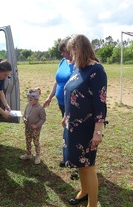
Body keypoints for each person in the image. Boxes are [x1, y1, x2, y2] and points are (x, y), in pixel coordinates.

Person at [61, 34, 107, 206]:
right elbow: (71, 93)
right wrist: (66, 115)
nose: (69, 54)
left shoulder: (96, 70)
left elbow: (100, 103)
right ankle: (84, 191)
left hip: (87, 128)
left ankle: (92, 204)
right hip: (72, 127)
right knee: (79, 163)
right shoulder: (77, 68)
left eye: (71, 50)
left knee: (88, 166)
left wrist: (98, 131)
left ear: (78, 48)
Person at [43, 36, 74, 167]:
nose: (62, 54)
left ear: (72, 49)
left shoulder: (78, 64)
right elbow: (57, 80)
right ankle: (67, 157)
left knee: (72, 131)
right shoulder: (62, 62)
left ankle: (75, 161)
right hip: (61, 102)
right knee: (66, 130)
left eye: (64, 51)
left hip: (72, 104)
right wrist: (50, 97)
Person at [20, 88, 46, 165]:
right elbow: (24, 114)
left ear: (36, 99)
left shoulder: (40, 109)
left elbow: (43, 119)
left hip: (35, 130)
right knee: (28, 141)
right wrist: (24, 118)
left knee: (36, 142)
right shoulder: (28, 105)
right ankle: (28, 154)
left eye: (31, 100)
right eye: (28, 99)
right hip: (27, 128)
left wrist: (37, 125)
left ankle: (38, 156)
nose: (29, 101)